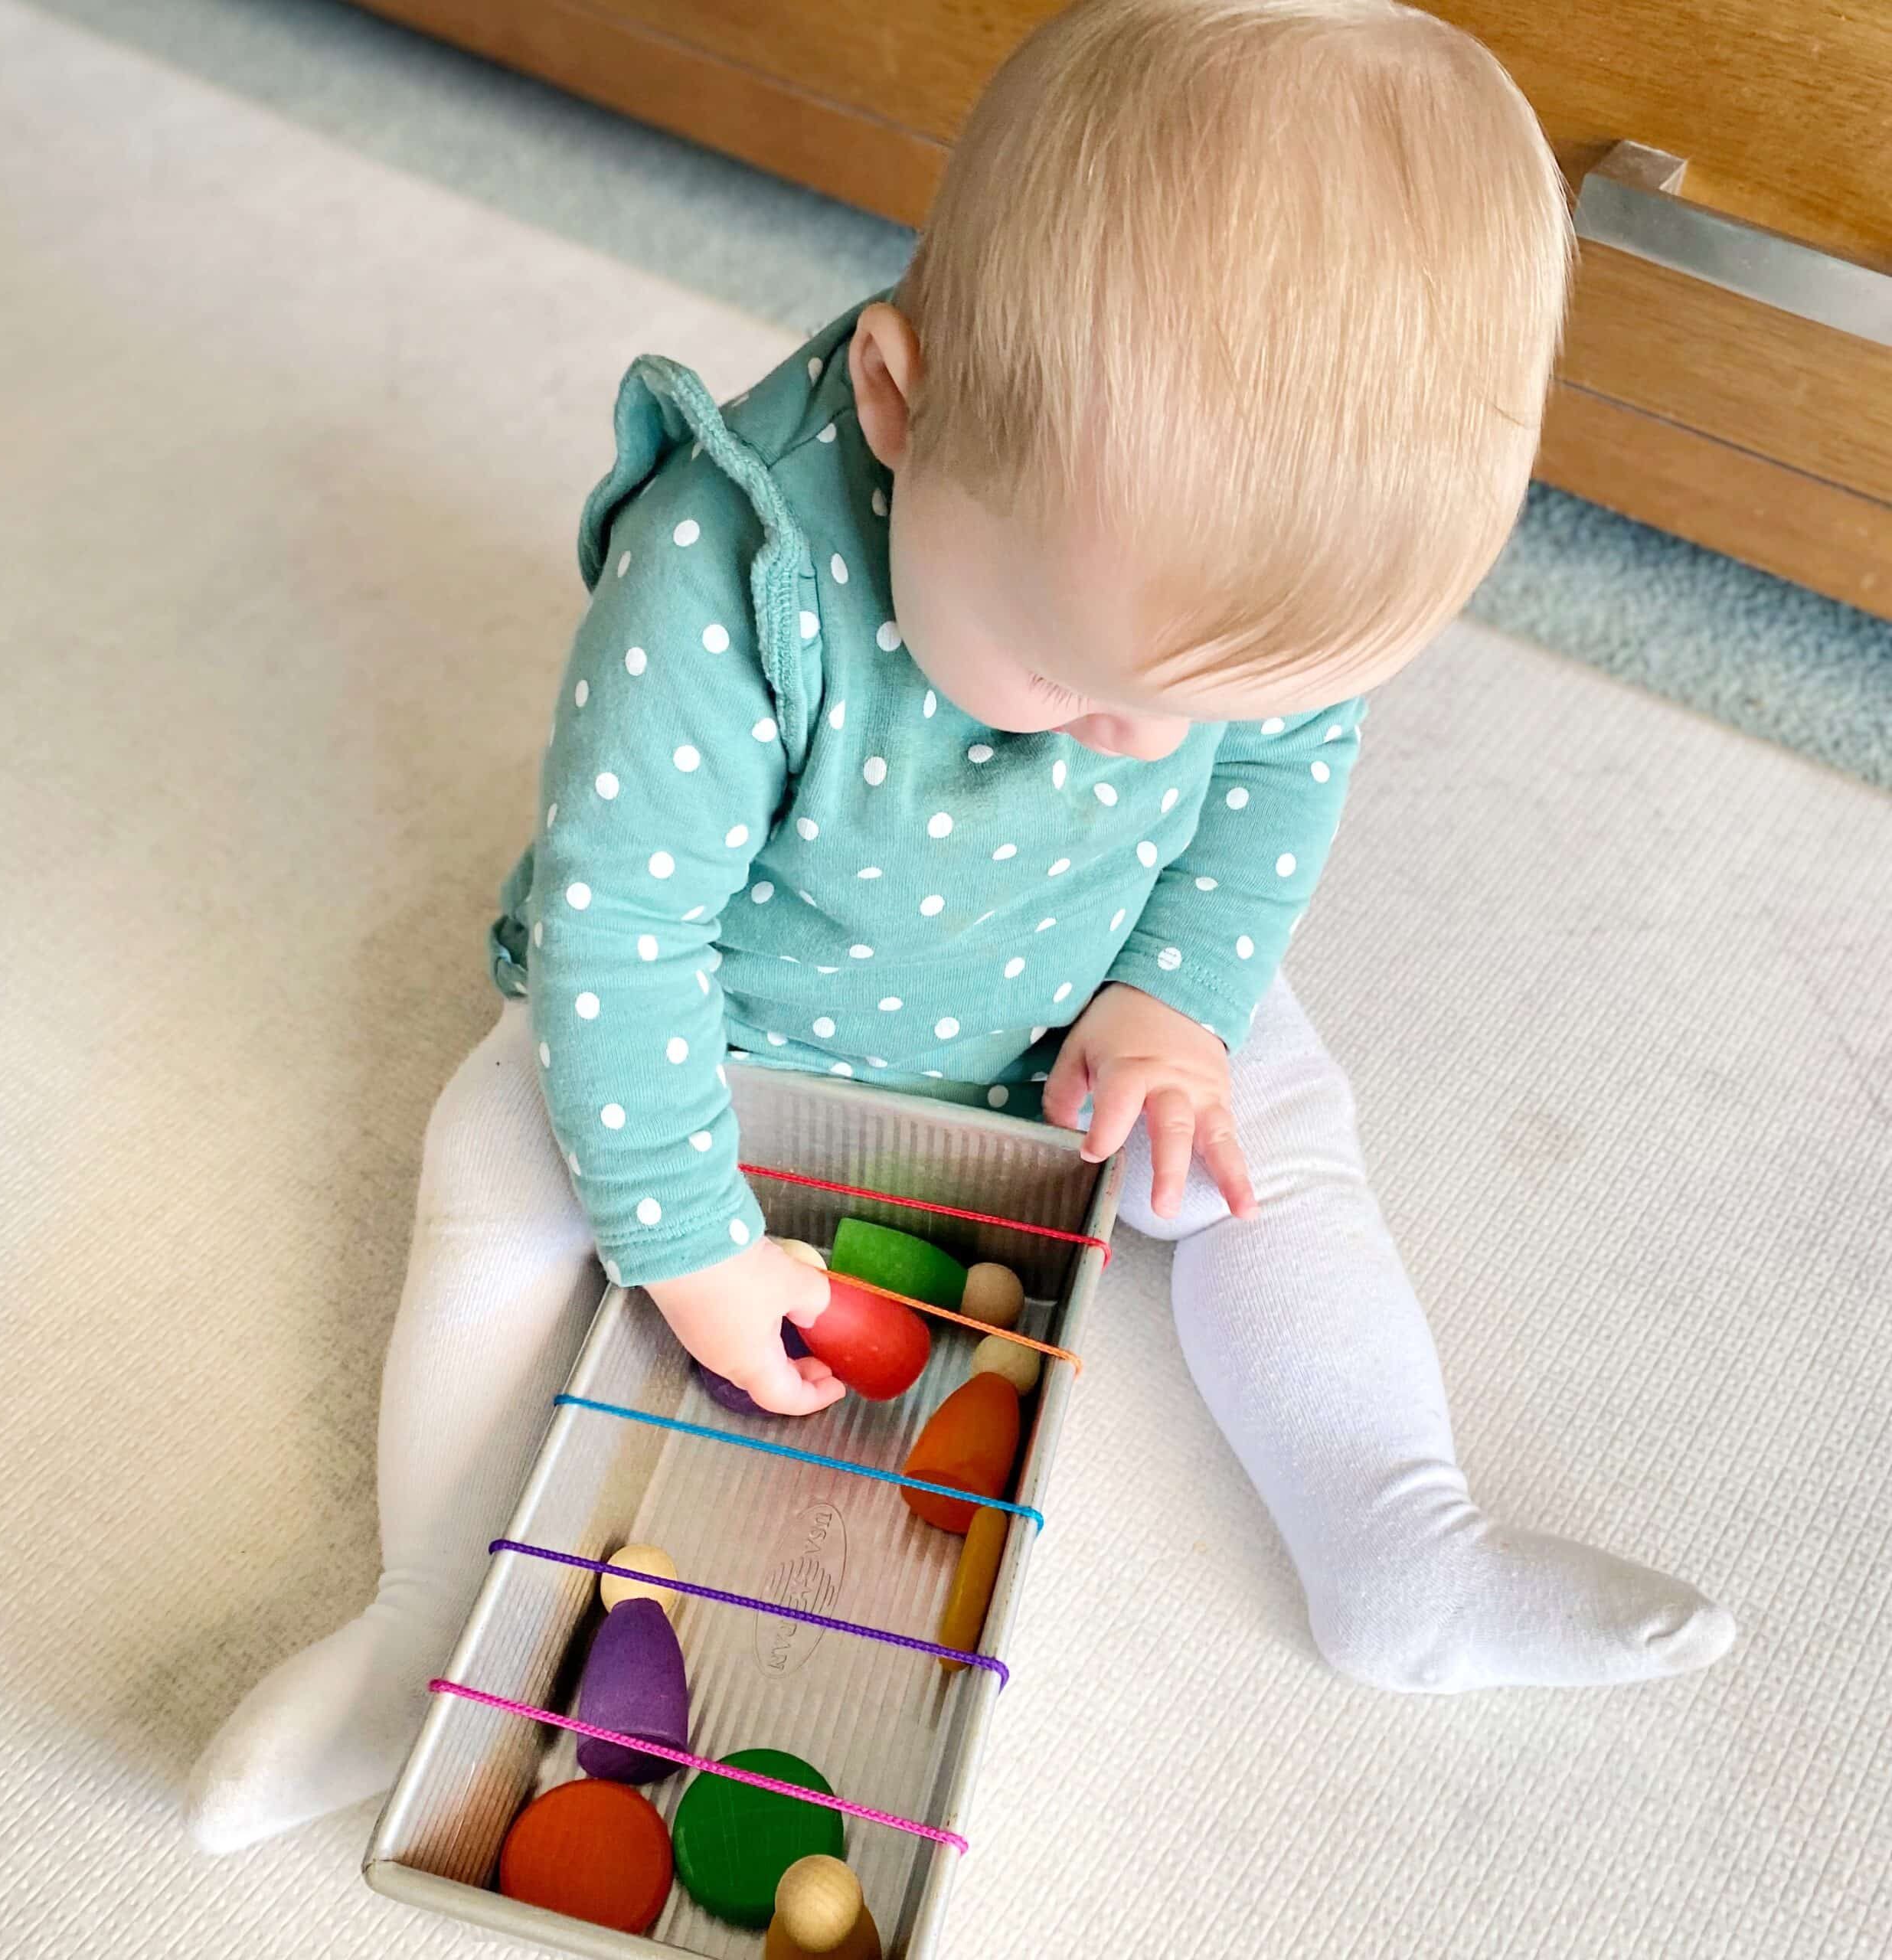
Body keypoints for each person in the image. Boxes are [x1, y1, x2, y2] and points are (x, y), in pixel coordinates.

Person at [186, 0, 1734, 1855]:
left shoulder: (1230, 619)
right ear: (904, 410)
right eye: (1066, 679)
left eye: (1195, 700)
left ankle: (1393, 1540)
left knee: (1279, 1158)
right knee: (495, 1175)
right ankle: (426, 1615)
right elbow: (622, 945)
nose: (1129, 738)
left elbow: (1271, 784)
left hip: (1072, 995)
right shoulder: (721, 578)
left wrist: (1176, 995)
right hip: (728, 1011)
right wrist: (679, 1239)